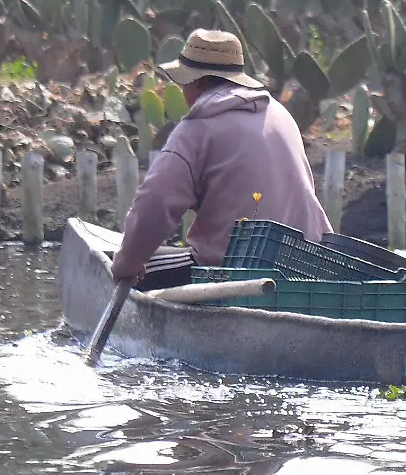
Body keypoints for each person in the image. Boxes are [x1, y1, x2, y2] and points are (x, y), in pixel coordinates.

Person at [110, 29, 331, 288]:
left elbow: (155, 203)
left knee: (120, 264)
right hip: (305, 263)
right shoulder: (280, 115)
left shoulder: (197, 129)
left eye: (184, 84)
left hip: (229, 271)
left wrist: (125, 265)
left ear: (196, 84)